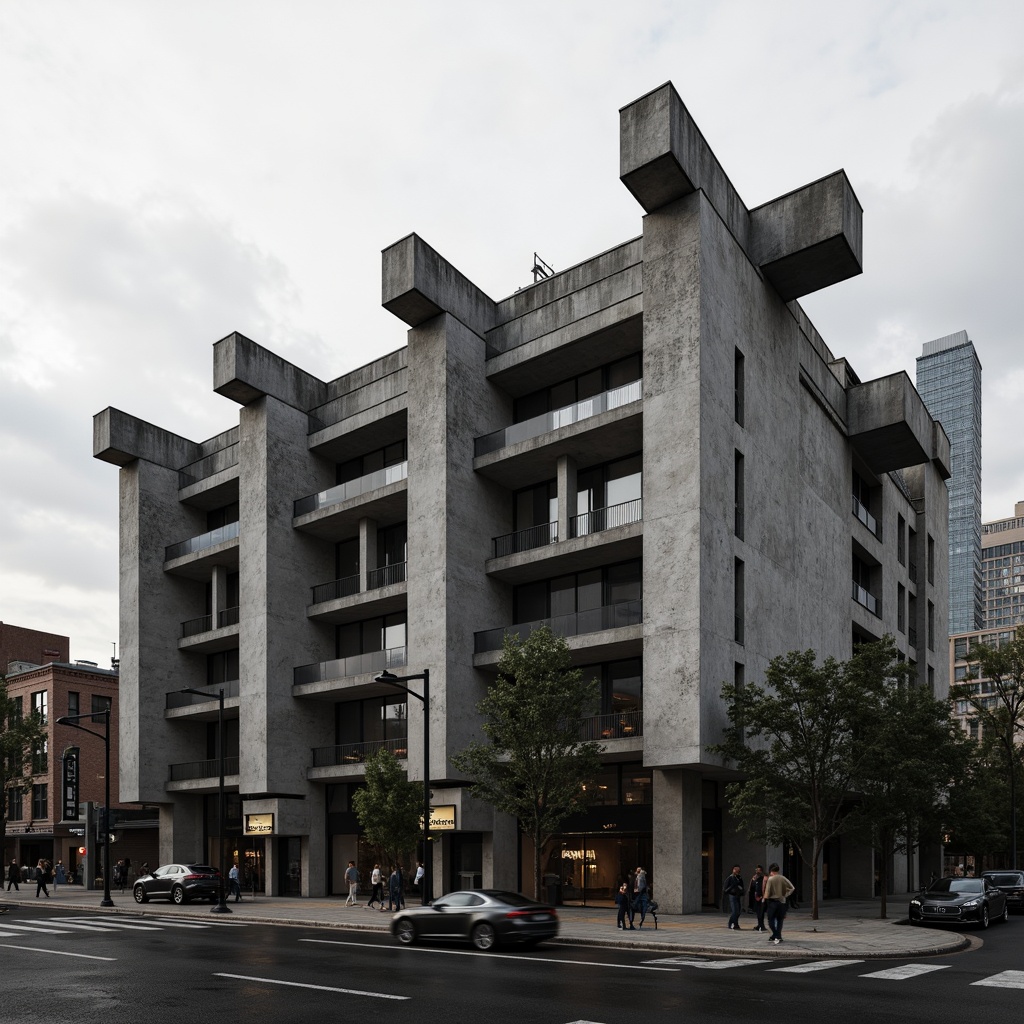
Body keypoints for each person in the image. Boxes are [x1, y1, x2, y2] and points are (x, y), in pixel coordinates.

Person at [762, 862, 796, 945]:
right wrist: (785, 894)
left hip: (772, 902)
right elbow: (792, 888)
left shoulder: (771, 879)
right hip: (782, 902)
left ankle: (775, 934)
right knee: (780, 920)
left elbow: (767, 892)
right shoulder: (783, 878)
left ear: (772, 871)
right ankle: (778, 935)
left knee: (771, 920)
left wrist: (764, 899)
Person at [723, 864, 744, 929]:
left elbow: (741, 885)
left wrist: (742, 891)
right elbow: (725, 889)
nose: (737, 871)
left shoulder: (739, 877)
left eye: (738, 870)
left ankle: (735, 924)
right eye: (736, 870)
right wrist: (732, 886)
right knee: (735, 911)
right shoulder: (730, 878)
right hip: (732, 896)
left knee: (738, 911)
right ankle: (732, 923)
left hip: (738, 895)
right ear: (733, 870)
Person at [747, 864, 766, 932]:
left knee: (761, 912)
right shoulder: (754, 878)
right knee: (758, 912)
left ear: (761, 871)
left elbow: (763, 888)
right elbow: (751, 888)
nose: (757, 871)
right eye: (756, 870)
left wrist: (762, 896)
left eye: (758, 870)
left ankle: (761, 925)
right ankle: (760, 925)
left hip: (761, 897)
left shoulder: (763, 878)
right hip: (755, 897)